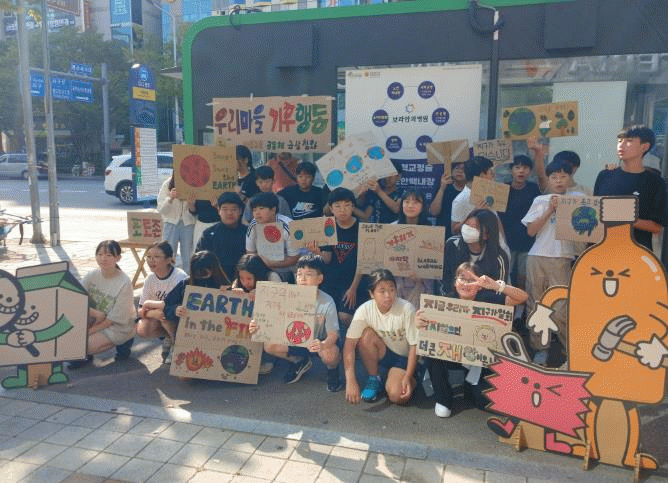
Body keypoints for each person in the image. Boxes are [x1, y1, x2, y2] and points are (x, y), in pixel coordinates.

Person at [417, 262, 528, 418]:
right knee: (431, 351)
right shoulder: (445, 303)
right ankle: (443, 398)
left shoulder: (489, 301)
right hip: (452, 356)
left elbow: (523, 297)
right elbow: (426, 328)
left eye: (471, 280)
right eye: (462, 279)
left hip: (480, 362)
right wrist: (419, 323)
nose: (465, 284)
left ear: (480, 286)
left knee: (483, 401)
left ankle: (471, 388)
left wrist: (497, 286)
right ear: (455, 282)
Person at [522, 159, 585, 365]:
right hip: (537, 257)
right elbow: (531, 231)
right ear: (548, 179)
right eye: (554, 177)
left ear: (570, 177)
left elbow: (588, 228)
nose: (558, 181)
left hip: (563, 258)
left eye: (563, 176)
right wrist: (550, 209)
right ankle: (540, 349)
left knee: (561, 308)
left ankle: (570, 351)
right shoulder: (540, 200)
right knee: (536, 304)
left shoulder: (578, 199)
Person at [249, 254, 343, 391]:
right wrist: (258, 326)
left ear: (320, 279)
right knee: (269, 345)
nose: (303, 279)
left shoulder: (327, 301)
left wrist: (322, 344)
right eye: (299, 274)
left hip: (318, 342)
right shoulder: (286, 295)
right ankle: (299, 361)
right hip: (295, 339)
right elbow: (271, 321)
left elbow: (333, 334)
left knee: (331, 354)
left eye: (308, 274)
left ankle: (333, 372)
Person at [343, 269, 418, 405]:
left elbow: (414, 346)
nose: (388, 295)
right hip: (385, 352)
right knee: (365, 335)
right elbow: (349, 345)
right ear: (372, 294)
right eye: (382, 291)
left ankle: (413, 377)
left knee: (397, 396)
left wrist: (407, 376)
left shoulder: (407, 309)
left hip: (404, 358)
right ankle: (374, 378)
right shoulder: (364, 310)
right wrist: (351, 381)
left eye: (391, 290)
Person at [593, 125, 667, 251]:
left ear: (644, 147)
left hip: (636, 252)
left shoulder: (655, 182)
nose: (621, 145)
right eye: (619, 141)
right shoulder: (605, 175)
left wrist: (625, 218)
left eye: (629, 141)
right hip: (601, 250)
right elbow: (594, 210)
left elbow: (656, 227)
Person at [68, 240, 136, 369]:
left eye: (109, 255)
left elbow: (110, 321)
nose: (103, 259)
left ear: (118, 258)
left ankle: (126, 340)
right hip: (96, 319)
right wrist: (94, 313)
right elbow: (75, 298)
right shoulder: (92, 275)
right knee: (70, 343)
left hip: (117, 325)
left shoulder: (124, 282)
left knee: (82, 345)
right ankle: (82, 353)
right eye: (99, 254)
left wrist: (85, 333)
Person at [308, 188, 366, 335]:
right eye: (337, 206)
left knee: (344, 316)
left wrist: (353, 288)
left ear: (353, 207)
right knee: (322, 314)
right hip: (332, 281)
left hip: (354, 281)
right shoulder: (329, 226)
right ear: (331, 208)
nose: (342, 210)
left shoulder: (363, 228)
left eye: (347, 205)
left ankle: (355, 339)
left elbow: (364, 261)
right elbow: (327, 259)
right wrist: (317, 251)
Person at [135, 241, 188, 364]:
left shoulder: (179, 277)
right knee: (142, 328)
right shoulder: (150, 278)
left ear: (169, 260)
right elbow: (140, 310)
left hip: (178, 317)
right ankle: (168, 336)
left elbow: (177, 306)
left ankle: (177, 345)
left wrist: (151, 305)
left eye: (156, 257)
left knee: (167, 313)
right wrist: (151, 313)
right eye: (148, 257)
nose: (151, 261)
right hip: (161, 316)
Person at [441, 208, 509, 298]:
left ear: (486, 235)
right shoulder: (452, 245)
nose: (468, 229)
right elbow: (444, 279)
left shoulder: (499, 257)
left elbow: (499, 290)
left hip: (484, 303)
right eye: (467, 224)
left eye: (475, 227)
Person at [498, 155, 541, 289]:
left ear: (530, 171)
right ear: (511, 170)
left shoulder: (534, 189)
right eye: (517, 167)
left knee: (524, 277)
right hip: (506, 240)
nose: (521, 171)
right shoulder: (502, 188)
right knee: (505, 276)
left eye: (525, 168)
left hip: (528, 240)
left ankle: (521, 301)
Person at [163, 251, 228, 334]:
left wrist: (231, 292)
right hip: (190, 330)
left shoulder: (222, 284)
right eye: (198, 274)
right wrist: (175, 310)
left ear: (214, 270)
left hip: (215, 330)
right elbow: (167, 305)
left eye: (205, 273)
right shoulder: (185, 284)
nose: (202, 277)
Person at [393, 189, 435, 308]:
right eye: (407, 202)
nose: (410, 206)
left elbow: (434, 263)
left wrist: (420, 275)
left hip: (421, 285)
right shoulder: (391, 228)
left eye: (416, 202)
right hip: (396, 284)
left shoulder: (432, 231)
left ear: (423, 206)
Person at [195, 192, 247, 285]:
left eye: (233, 209)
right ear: (219, 210)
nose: (229, 213)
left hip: (242, 282)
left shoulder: (248, 233)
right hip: (213, 282)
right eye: (225, 209)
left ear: (240, 211)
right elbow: (199, 260)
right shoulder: (209, 234)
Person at [246, 192, 299, 281]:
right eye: (254, 210)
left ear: (273, 209)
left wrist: (272, 264)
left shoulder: (288, 225)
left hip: (287, 269)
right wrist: (261, 264)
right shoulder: (253, 224)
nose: (257, 213)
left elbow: (294, 257)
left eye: (261, 209)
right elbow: (250, 252)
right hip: (262, 267)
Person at [157, 175, 196, 274]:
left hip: (188, 223)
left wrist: (191, 204)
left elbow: (196, 210)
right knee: (168, 253)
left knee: (188, 255)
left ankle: (188, 278)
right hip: (171, 223)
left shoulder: (194, 182)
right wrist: (170, 198)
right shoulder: (168, 184)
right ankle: (167, 276)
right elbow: (161, 209)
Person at [450, 156, 495, 235]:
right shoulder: (461, 199)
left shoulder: (490, 194)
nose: (493, 177)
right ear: (482, 175)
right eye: (491, 174)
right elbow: (454, 230)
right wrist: (474, 213)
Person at [429, 162, 466, 239]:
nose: (459, 171)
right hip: (442, 235)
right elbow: (434, 212)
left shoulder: (469, 191)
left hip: (463, 235)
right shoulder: (444, 187)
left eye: (463, 169)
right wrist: (442, 187)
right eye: (457, 168)